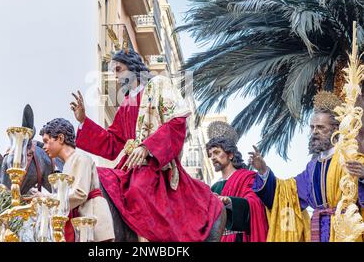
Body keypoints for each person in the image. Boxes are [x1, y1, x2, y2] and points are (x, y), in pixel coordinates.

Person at [70, 47, 224, 242]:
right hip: (129, 167)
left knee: (138, 188)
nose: (115, 77)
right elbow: (112, 142)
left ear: (132, 66)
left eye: (118, 70)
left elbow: (176, 122)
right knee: (98, 176)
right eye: (113, 72)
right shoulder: (127, 104)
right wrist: (84, 120)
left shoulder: (159, 84)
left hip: (156, 165)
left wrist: (147, 147)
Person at [249, 91, 364, 242]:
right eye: (312, 127)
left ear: (336, 129)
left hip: (346, 231)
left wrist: (362, 177)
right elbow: (287, 192)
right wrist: (263, 171)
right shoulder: (312, 167)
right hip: (317, 231)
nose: (314, 131)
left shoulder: (350, 157)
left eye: (320, 127)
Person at [40, 118, 115, 242]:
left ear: (60, 138)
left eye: (46, 141)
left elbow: (80, 193)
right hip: (81, 220)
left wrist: (47, 199)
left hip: (92, 218)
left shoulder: (80, 158)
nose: (44, 147)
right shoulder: (67, 165)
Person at [207, 121, 268, 242]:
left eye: (217, 152)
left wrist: (230, 201)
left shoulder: (248, 177)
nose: (213, 157)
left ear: (230, 155)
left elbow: (255, 203)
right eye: (210, 154)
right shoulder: (213, 188)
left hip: (240, 238)